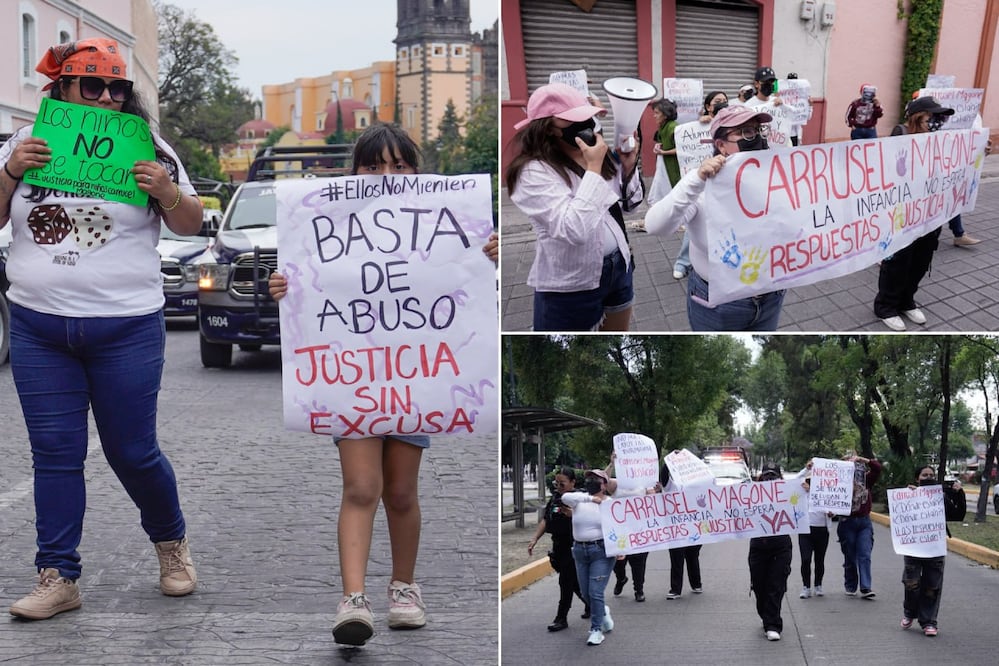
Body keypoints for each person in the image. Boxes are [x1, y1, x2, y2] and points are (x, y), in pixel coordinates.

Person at [268, 122, 496, 646]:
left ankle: (404, 588)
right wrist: (286, 287)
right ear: (354, 174)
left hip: (417, 381)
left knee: (399, 491)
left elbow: (468, 291)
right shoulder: (327, 223)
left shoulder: (446, 223)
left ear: (416, 170)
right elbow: (308, 292)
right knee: (362, 487)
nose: (386, 176)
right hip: (353, 382)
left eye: (398, 165)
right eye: (373, 166)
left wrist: (488, 258)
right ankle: (353, 600)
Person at [1, 38, 202, 621]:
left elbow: (192, 223)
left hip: (126, 327)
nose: (109, 98)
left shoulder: (149, 147)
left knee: (133, 452)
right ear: (62, 89)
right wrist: (11, 171)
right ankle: (57, 575)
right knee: (55, 454)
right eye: (93, 86)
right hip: (40, 328)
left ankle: (172, 547)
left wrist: (166, 192)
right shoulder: (25, 143)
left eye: (118, 88)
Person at [505, 82, 643, 332]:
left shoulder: (597, 154)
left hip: (619, 266)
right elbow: (574, 229)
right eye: (574, 121)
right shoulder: (533, 171)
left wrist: (628, 166)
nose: (587, 125)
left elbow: (631, 205)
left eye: (588, 118)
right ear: (547, 128)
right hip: (572, 284)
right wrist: (592, 169)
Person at [644, 105, 786, 330]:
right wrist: (696, 180)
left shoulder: (776, 179)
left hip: (770, 296)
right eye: (746, 132)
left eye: (759, 131)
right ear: (721, 145)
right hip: (717, 303)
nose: (756, 138)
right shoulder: (702, 187)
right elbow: (654, 226)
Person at [874, 96, 956, 331]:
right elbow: (887, 173)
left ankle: (906, 300)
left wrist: (979, 150)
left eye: (941, 117)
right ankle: (886, 305)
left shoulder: (943, 140)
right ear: (919, 117)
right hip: (903, 214)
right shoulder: (901, 135)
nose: (939, 121)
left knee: (922, 259)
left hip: (931, 212)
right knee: (899, 260)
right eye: (934, 116)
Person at [899, 466, 966, 636]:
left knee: (932, 586)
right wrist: (908, 495)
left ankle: (929, 621)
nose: (928, 478)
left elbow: (958, 515)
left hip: (934, 548)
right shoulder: (910, 495)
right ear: (917, 478)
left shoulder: (941, 496)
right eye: (924, 475)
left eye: (931, 475)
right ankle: (909, 612)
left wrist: (959, 494)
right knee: (911, 583)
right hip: (913, 548)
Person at [671, 91, 728, 280]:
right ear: (708, 107)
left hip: (725, 180)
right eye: (717, 101)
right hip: (703, 180)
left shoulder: (732, 122)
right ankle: (683, 262)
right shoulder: (700, 125)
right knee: (695, 222)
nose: (722, 104)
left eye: (725, 101)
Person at [559, 469, 617, 646]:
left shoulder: (611, 504)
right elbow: (565, 498)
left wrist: (621, 549)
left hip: (601, 551)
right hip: (579, 551)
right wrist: (591, 499)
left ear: (604, 485)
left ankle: (596, 630)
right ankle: (603, 612)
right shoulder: (580, 500)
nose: (591, 481)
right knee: (585, 593)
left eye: (596, 479)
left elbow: (619, 527)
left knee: (595, 591)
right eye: (589, 478)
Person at [527, 468, 588, 631]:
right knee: (574, 583)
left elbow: (591, 519)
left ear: (573, 483)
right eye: (557, 483)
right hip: (558, 546)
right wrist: (534, 539)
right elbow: (546, 520)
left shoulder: (580, 499)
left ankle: (561, 618)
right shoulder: (555, 498)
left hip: (574, 546)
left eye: (562, 484)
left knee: (565, 582)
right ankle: (592, 604)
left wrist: (573, 515)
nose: (559, 487)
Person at [748, 463, 793, 641]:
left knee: (775, 585)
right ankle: (766, 616)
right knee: (759, 587)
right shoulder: (750, 495)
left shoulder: (788, 494)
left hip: (780, 547)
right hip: (758, 548)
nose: (769, 480)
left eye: (773, 476)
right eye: (766, 476)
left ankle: (773, 624)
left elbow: (806, 493)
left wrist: (807, 484)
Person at [837, 453, 882, 599]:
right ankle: (850, 584)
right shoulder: (836, 483)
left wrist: (864, 459)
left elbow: (877, 468)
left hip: (864, 522)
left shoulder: (865, 481)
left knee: (864, 554)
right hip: (846, 522)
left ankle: (865, 587)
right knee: (850, 556)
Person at [659, 460, 703, 598]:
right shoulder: (671, 486)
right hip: (676, 530)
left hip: (693, 528)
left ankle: (696, 584)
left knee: (692, 557)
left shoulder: (697, 486)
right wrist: (669, 461)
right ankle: (675, 589)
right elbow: (664, 475)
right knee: (676, 559)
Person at [797, 464, 833, 599]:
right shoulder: (801, 493)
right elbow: (795, 480)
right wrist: (806, 469)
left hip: (822, 530)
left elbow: (832, 509)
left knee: (819, 559)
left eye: (813, 481)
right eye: (808, 481)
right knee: (805, 559)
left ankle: (818, 585)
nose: (809, 484)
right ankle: (806, 587)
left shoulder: (826, 492)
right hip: (805, 530)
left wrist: (831, 513)